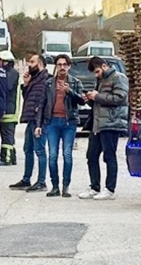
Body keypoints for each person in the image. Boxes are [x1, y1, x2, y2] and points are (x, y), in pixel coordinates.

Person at [78, 56, 129, 201]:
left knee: (109, 156)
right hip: (98, 124)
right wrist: (90, 99)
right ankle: (94, 187)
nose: (96, 74)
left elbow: (119, 99)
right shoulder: (100, 80)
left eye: (97, 71)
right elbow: (99, 103)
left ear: (105, 66)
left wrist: (97, 96)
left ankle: (109, 189)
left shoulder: (119, 78)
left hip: (112, 124)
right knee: (91, 155)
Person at [43, 54, 85, 198]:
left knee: (67, 154)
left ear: (69, 66)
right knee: (52, 155)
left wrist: (69, 91)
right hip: (52, 122)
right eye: (59, 65)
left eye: (64, 65)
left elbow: (82, 101)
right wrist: (39, 124)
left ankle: (66, 186)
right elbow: (42, 104)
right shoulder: (49, 83)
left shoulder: (75, 82)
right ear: (56, 66)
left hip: (69, 123)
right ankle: (54, 186)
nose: (62, 67)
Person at [8, 54, 49, 192]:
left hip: (39, 121)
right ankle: (26, 179)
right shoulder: (34, 79)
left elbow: (43, 103)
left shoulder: (45, 80)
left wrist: (39, 123)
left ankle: (41, 181)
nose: (29, 65)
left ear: (41, 64)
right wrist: (26, 84)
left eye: (32, 62)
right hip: (31, 119)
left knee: (40, 150)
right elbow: (29, 99)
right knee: (28, 149)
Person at [0, 50, 21, 166]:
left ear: (6, 61)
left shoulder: (11, 73)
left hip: (9, 110)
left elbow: (7, 86)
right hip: (8, 108)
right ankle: (12, 156)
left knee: (7, 135)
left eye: (0, 60)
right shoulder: (10, 72)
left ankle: (6, 158)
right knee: (7, 134)